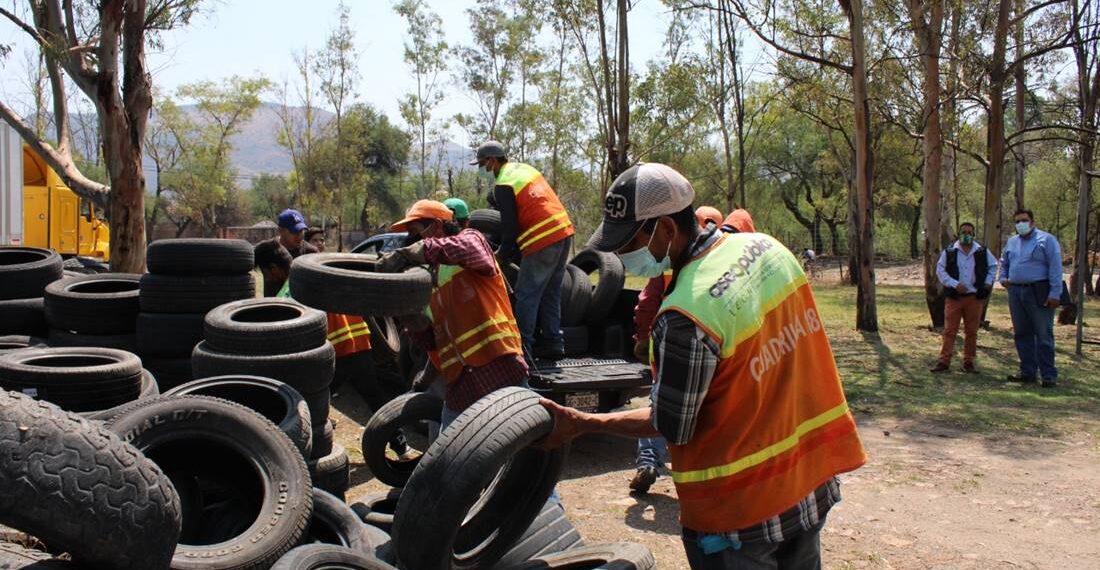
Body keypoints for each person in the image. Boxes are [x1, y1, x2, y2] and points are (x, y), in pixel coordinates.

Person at [538, 162, 866, 569]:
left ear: (667, 230)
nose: (621, 256)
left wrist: (583, 423)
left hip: (740, 517)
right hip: (810, 486)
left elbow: (669, 424)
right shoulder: (770, 250)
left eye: (629, 242)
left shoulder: (686, 315)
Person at [254, 239, 412, 459]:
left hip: (336, 351)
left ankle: (300, 450)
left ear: (272, 268)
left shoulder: (291, 290)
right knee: (371, 395)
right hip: (357, 340)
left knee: (307, 400)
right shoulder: (316, 272)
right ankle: (402, 447)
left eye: (265, 273)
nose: (267, 278)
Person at [376, 199, 526, 425]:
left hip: (498, 363)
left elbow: (473, 252)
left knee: (517, 439)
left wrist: (411, 253)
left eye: (417, 233)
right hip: (459, 380)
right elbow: (432, 340)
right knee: (450, 452)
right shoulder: (428, 281)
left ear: (437, 225)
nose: (416, 240)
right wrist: (406, 313)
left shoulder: (471, 239)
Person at [629, 205, 737, 494]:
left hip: (670, 346)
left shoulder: (669, 263)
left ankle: (649, 461)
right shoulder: (735, 260)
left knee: (663, 405)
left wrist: (641, 335)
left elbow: (646, 301)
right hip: (717, 350)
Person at [472, 141, 575, 359]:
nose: (483, 170)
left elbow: (510, 227)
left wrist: (501, 255)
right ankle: (554, 344)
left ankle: (523, 349)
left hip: (542, 237)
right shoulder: (525, 169)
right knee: (550, 293)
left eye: (482, 164)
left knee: (526, 295)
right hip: (563, 231)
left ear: (492, 160)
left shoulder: (503, 183)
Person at [1000, 209, 1063, 387]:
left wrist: (1054, 293)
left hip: (1039, 291)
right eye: (1017, 221)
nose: (1021, 224)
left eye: (1024, 220)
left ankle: (1048, 374)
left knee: (1043, 334)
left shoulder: (1047, 240)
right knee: (1021, 333)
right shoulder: (1012, 242)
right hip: (1015, 292)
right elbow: (1004, 262)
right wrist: (1003, 278)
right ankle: (1027, 372)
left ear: (1032, 222)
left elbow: (1055, 267)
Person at [931, 222, 998, 374]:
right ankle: (944, 361)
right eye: (963, 232)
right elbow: (940, 271)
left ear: (973, 235)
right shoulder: (949, 252)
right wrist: (954, 284)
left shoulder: (981, 251)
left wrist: (987, 283)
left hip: (974, 298)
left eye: (969, 232)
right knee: (949, 331)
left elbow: (994, 266)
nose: (966, 235)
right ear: (958, 234)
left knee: (972, 331)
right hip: (954, 298)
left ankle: (969, 362)